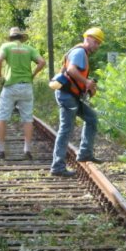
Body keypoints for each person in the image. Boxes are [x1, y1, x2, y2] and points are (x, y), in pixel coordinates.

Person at [50, 26, 105, 177]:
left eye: (99, 43)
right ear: (87, 39)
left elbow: (75, 75)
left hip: (72, 94)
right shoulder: (79, 52)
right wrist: (86, 82)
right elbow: (72, 70)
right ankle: (57, 166)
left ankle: (85, 153)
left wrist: (86, 87)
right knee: (66, 129)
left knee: (91, 118)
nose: (97, 46)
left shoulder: (83, 53)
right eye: (96, 42)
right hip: (67, 95)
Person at [0, 27, 46, 162]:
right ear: (21, 37)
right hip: (27, 87)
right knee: (27, 118)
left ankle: (0, 150)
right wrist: (32, 74)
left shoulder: (6, 46)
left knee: (2, 116)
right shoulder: (29, 49)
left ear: (11, 37)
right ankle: (27, 150)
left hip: (11, 86)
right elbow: (42, 62)